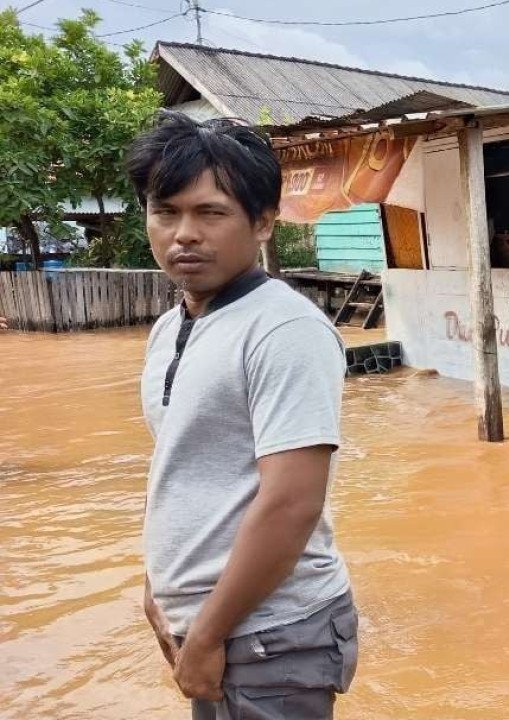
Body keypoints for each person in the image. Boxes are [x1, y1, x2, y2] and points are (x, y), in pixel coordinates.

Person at [128, 111, 357, 719]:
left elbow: (292, 503)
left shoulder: (284, 330)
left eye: (211, 213)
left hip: (272, 634)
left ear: (262, 223)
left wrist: (206, 635)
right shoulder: (172, 326)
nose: (184, 234)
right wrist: (159, 588)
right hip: (204, 623)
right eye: (166, 211)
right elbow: (178, 466)